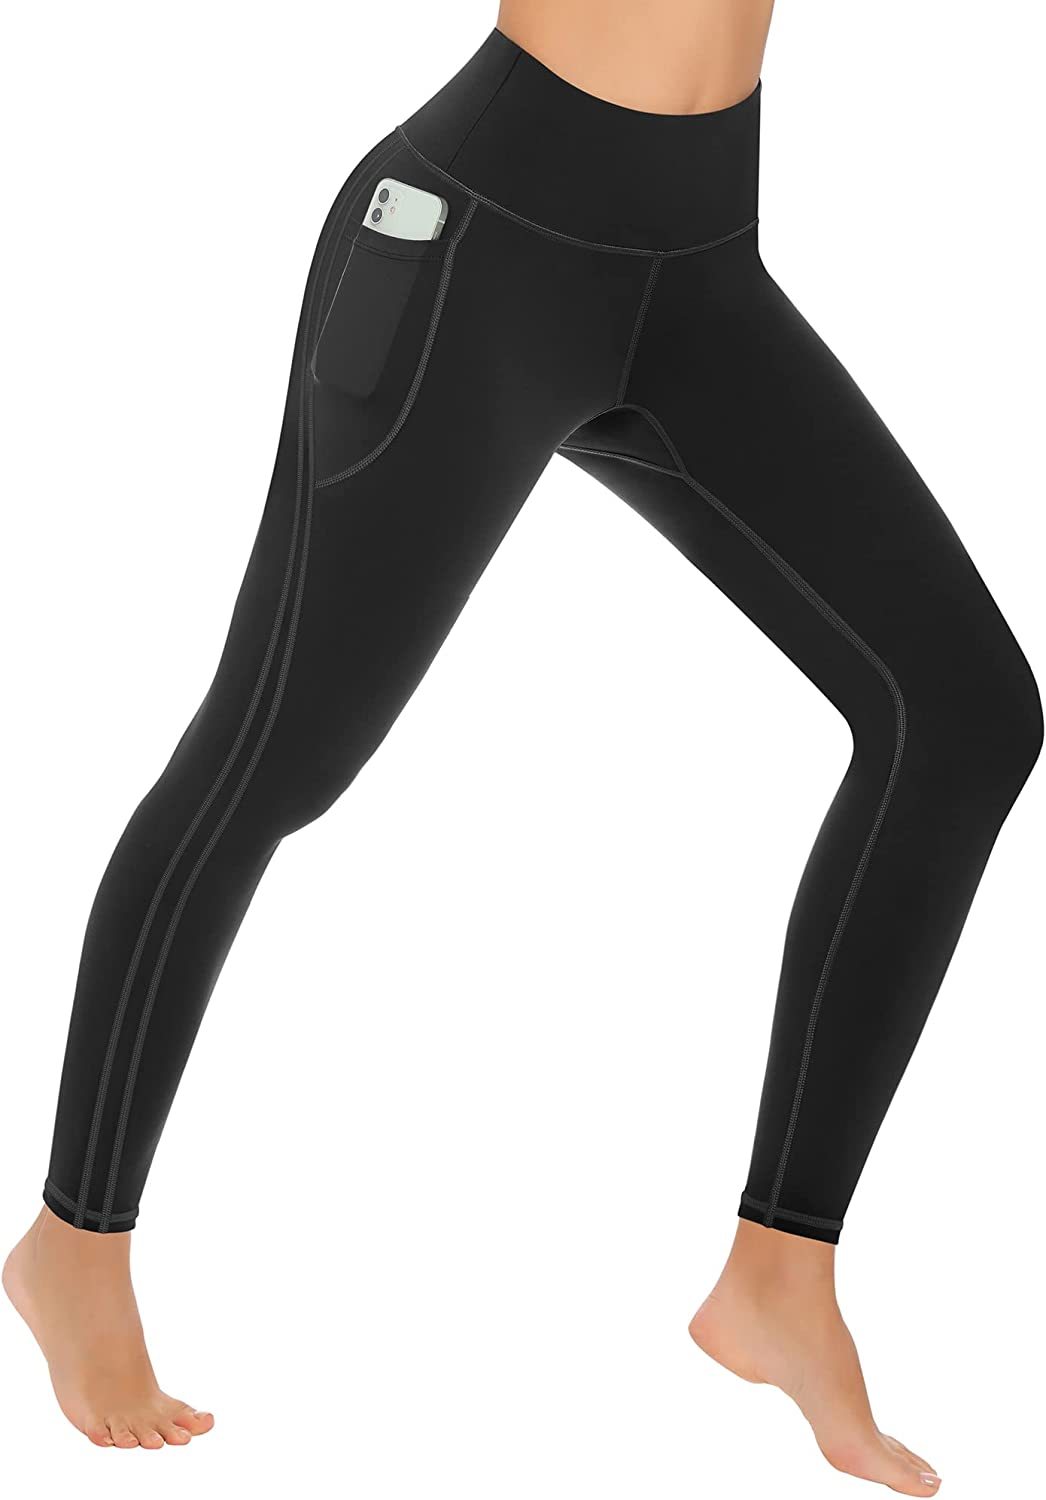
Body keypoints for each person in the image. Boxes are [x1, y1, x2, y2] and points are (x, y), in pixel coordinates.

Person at [4, 3, 1039, 1491]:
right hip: (476, 245)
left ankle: (779, 1271)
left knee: (964, 711)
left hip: (700, 266)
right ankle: (74, 1242)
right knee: (272, 757)